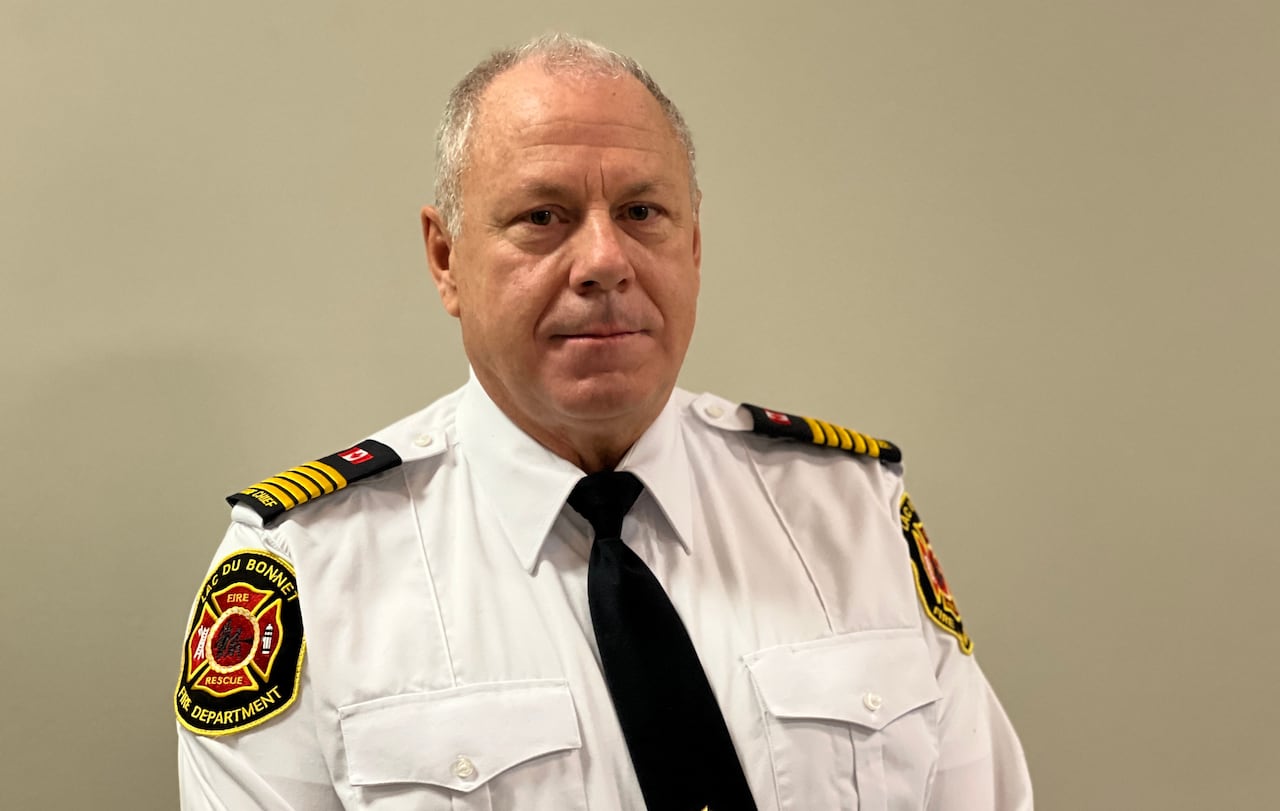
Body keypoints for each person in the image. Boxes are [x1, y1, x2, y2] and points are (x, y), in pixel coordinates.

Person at [174, 33, 1033, 810]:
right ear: (446, 259)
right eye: (542, 217)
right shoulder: (311, 570)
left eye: (641, 212)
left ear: (692, 244)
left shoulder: (847, 513)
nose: (604, 262)